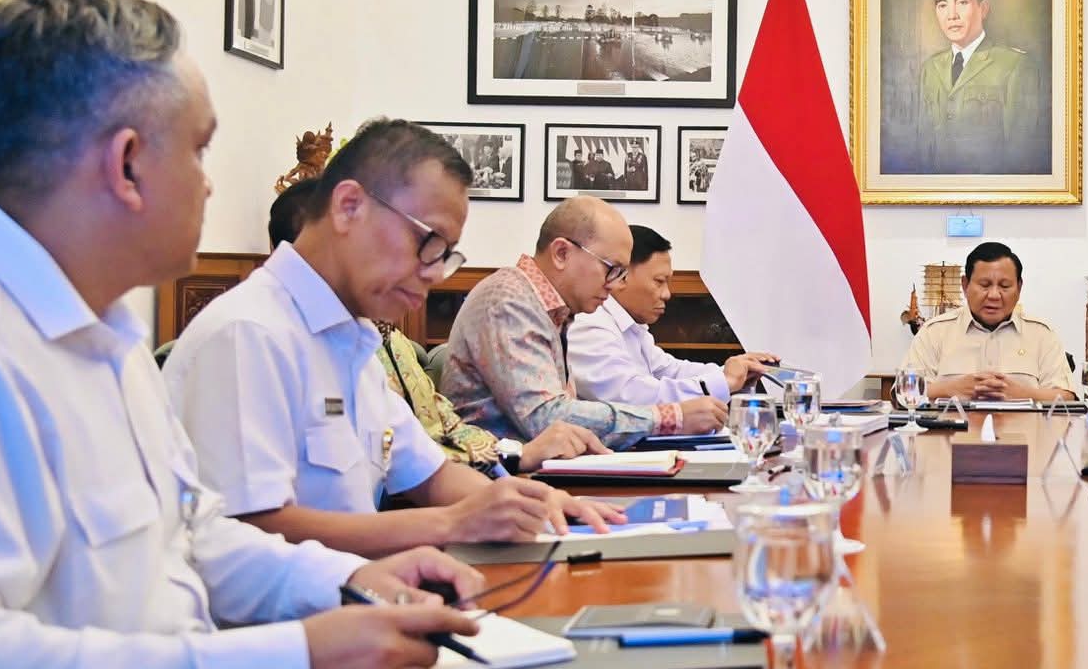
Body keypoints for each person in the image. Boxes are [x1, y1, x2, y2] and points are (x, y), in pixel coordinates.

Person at [0, 0, 481, 669]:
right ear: (128, 165)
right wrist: (287, 668)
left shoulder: (108, 339)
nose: (212, 185)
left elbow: (196, 535)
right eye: (201, 148)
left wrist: (351, 584)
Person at [167, 121, 620, 559]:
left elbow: (431, 475)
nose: (434, 273)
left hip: (364, 589)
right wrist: (450, 523)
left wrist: (527, 503)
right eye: (429, 242)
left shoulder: (354, 339)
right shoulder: (248, 334)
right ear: (349, 207)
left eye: (446, 255)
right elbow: (250, 531)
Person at [264, 181, 603, 476]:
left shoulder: (378, 337)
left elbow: (436, 436)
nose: (428, 274)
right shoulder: (263, 336)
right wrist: (514, 461)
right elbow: (401, 473)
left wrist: (514, 459)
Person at [440, 196, 699, 448]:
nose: (614, 285)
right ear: (561, 253)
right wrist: (668, 418)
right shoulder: (509, 302)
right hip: (495, 470)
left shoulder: (552, 309)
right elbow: (546, 419)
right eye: (611, 269)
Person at [567, 224, 778, 422]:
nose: (667, 294)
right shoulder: (589, 325)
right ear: (622, 276)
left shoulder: (630, 326)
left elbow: (670, 370)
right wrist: (724, 381)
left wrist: (734, 372)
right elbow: (632, 397)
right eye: (659, 282)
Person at [912, 0, 1049, 176]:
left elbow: (1021, 157)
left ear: (983, 9)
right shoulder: (930, 68)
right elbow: (923, 149)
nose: (951, 15)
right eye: (942, 5)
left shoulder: (1015, 66)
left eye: (962, 2)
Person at [899, 241, 1073, 403]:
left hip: (1024, 426)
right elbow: (903, 391)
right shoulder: (934, 332)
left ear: (1019, 288)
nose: (994, 295)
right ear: (965, 285)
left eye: (1004, 286)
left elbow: (1066, 397)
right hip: (951, 426)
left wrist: (1023, 394)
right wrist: (951, 389)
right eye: (984, 285)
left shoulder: (1041, 334)